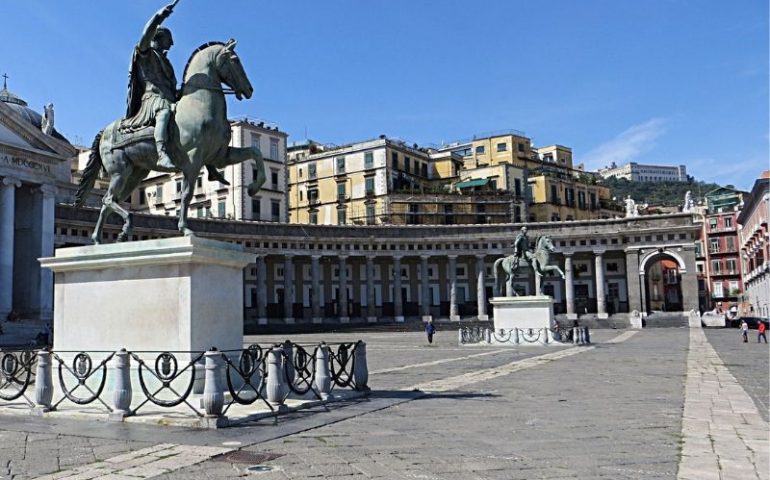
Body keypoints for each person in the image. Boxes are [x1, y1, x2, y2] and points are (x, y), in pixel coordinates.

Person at [121, 2, 228, 184]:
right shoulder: (146, 53)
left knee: (196, 121)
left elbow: (171, 87)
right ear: (159, 38)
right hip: (153, 99)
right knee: (164, 111)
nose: (170, 45)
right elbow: (145, 34)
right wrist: (159, 16)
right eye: (167, 41)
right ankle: (162, 153)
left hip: (170, 99)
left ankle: (210, 165)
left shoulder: (166, 62)